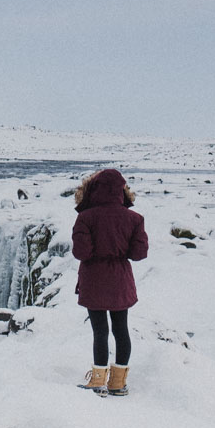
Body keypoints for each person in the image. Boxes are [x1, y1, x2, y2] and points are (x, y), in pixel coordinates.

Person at [71, 168, 148, 396]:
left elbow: (81, 252)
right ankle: (118, 383)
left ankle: (98, 382)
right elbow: (139, 253)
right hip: (120, 278)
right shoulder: (135, 219)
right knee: (121, 329)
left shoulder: (85, 217)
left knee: (100, 331)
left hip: (94, 278)